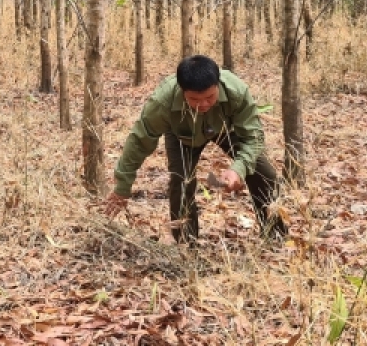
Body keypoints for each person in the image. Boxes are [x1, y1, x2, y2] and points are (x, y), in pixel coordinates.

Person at [102, 55, 288, 243]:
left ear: (218, 85)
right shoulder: (162, 102)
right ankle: (186, 245)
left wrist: (238, 169)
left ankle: (276, 236)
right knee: (181, 181)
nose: (203, 104)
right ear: (183, 92)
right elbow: (139, 142)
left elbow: (254, 138)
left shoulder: (236, 91)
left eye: (209, 97)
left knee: (265, 173)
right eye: (194, 99)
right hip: (182, 135)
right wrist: (122, 186)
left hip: (226, 128)